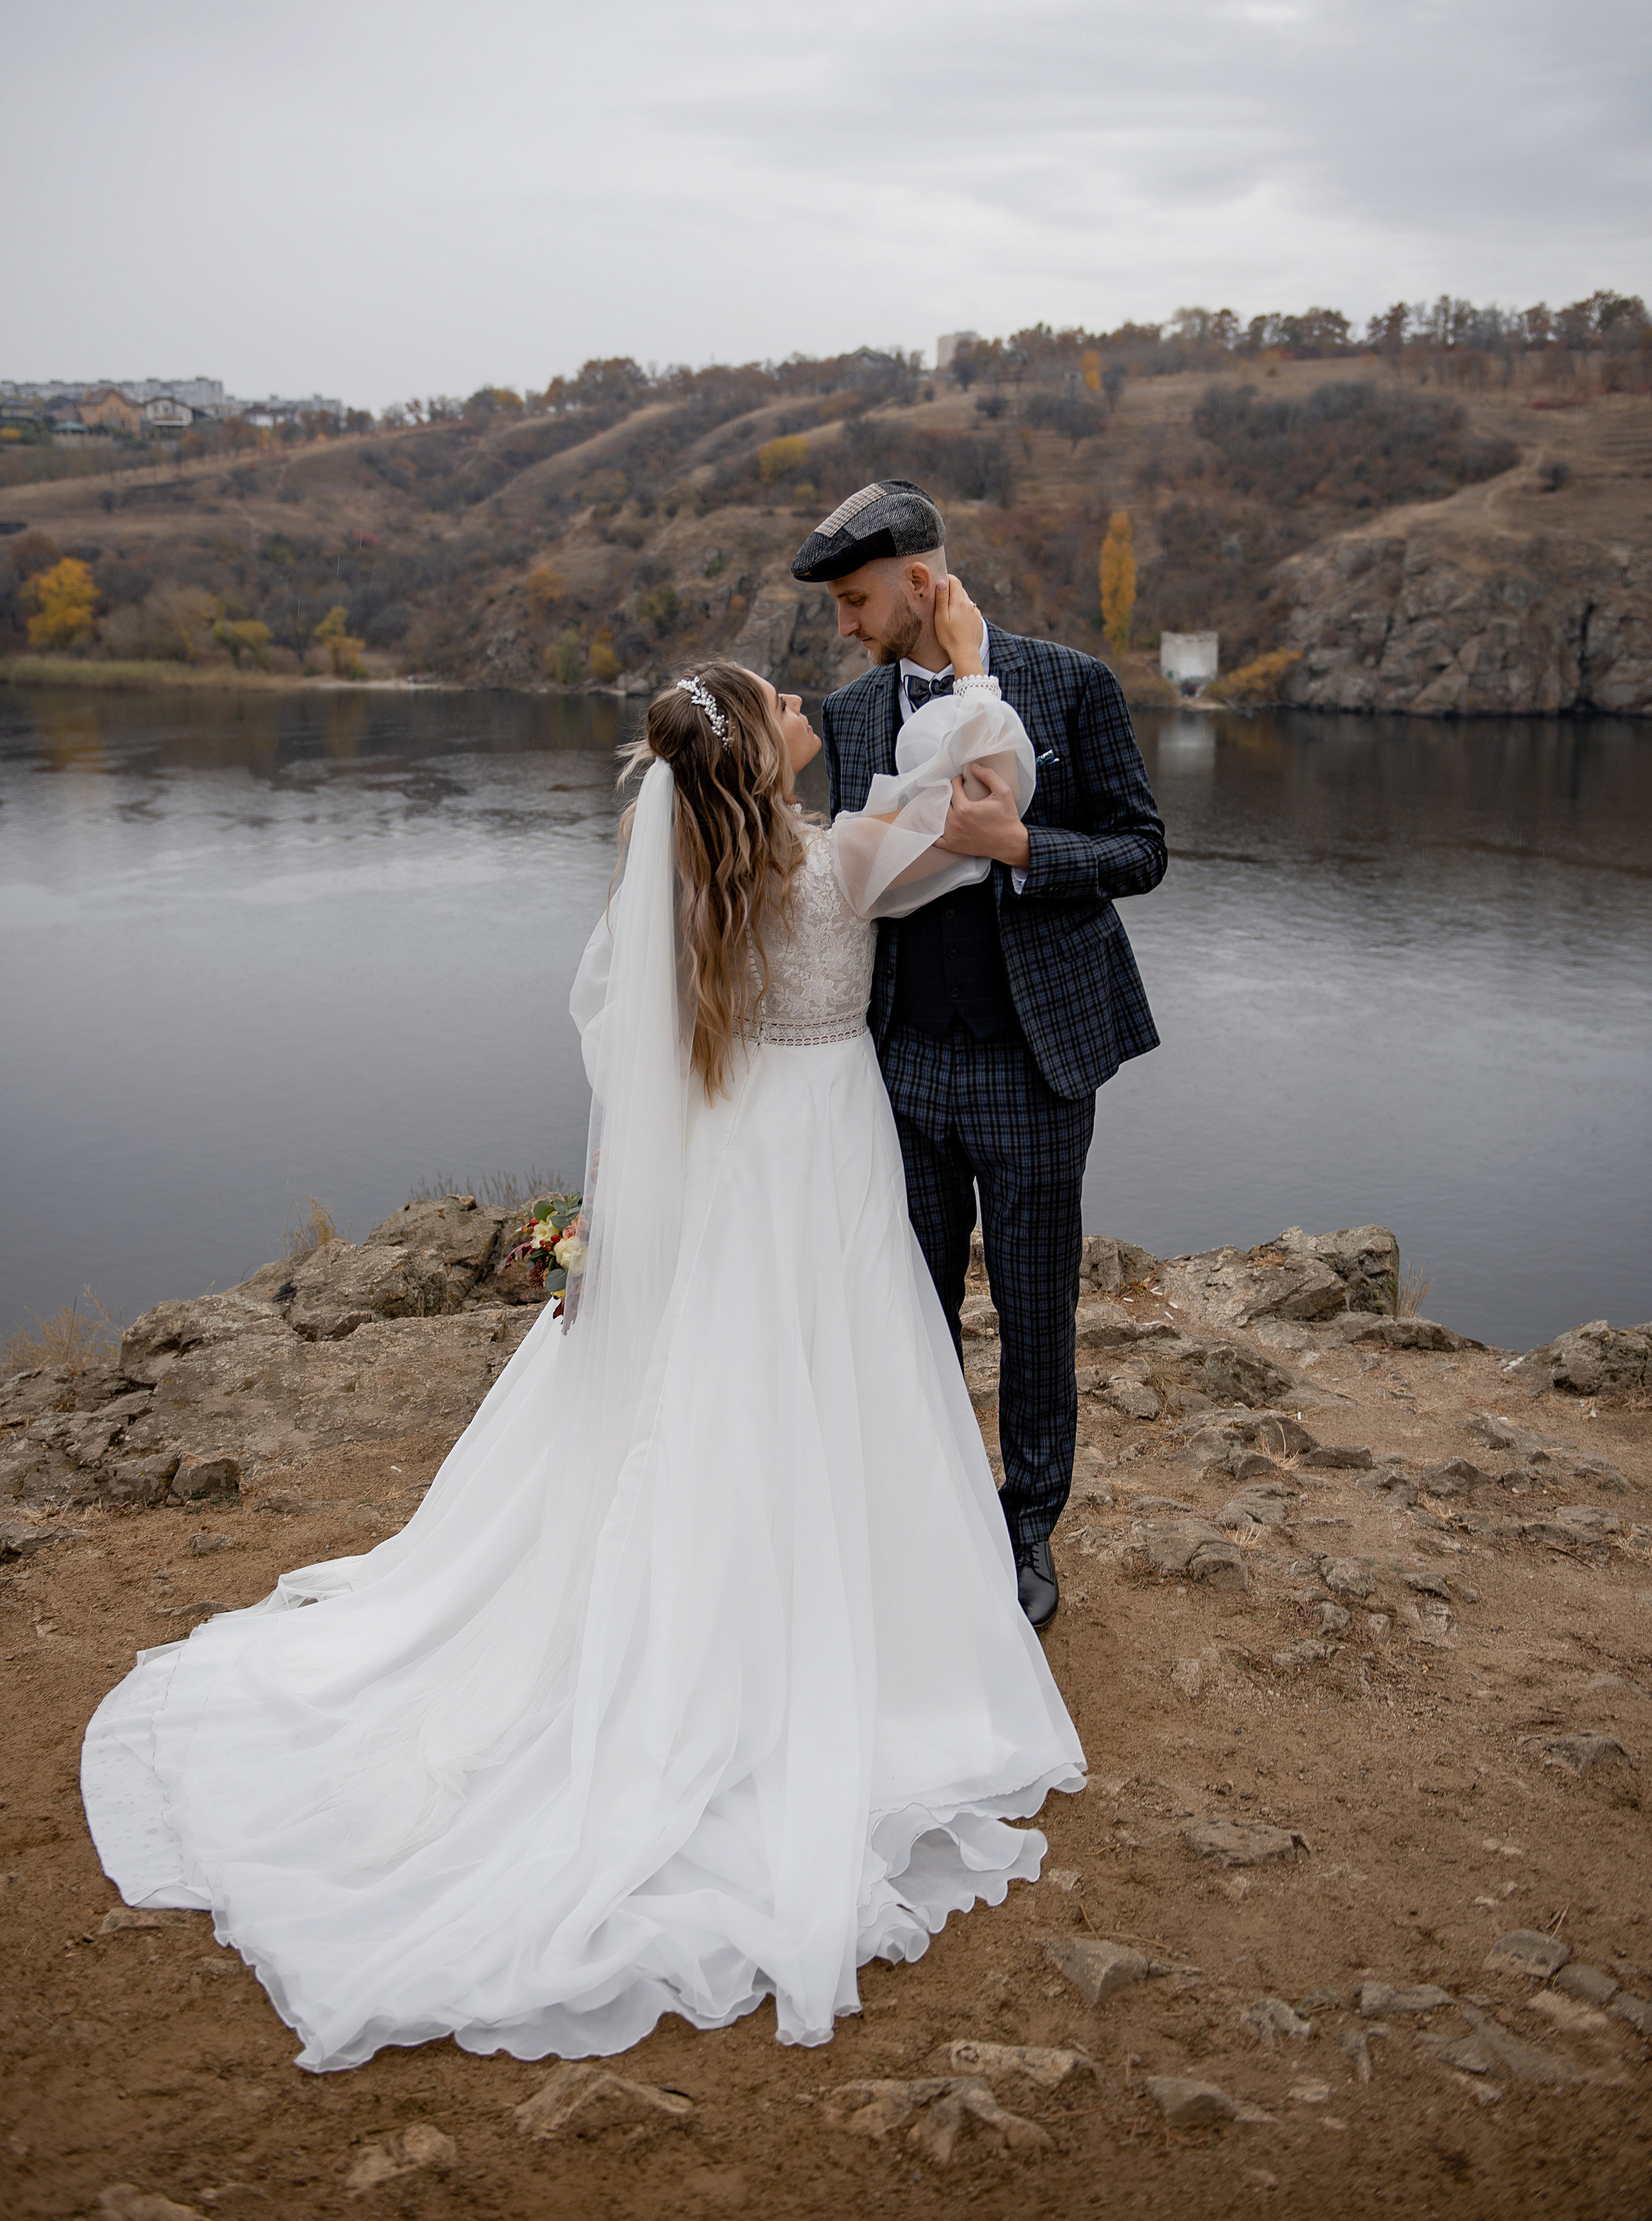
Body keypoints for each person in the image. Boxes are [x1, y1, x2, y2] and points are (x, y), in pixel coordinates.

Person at [79, 609, 1084, 2077]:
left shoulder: (669, 866)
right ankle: (820, 1616)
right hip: (825, 1156)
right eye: (783, 704)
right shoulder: (841, 865)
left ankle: (724, 1580)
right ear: (759, 758)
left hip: (732, 1159)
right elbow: (986, 781)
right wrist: (970, 665)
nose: (807, 699)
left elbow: (635, 1021)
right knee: (831, 1373)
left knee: (722, 1379)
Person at [798, 481, 1167, 1631]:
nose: (845, 628)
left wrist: (1021, 845)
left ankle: (1026, 1530)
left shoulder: (1071, 682)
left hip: (1035, 1061)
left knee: (1035, 1306)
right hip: (898, 1061)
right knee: (911, 1304)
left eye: (857, 601)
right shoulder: (850, 716)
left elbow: (1144, 849)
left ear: (921, 581)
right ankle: (933, 1509)